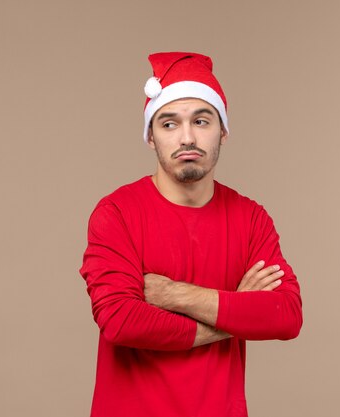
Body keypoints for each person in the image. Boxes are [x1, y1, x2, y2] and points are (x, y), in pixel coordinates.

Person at [79, 51, 303, 417]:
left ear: (223, 131)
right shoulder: (116, 213)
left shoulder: (250, 218)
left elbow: (286, 314)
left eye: (201, 121)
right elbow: (120, 321)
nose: (187, 137)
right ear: (151, 137)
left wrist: (175, 294)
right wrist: (234, 312)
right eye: (169, 124)